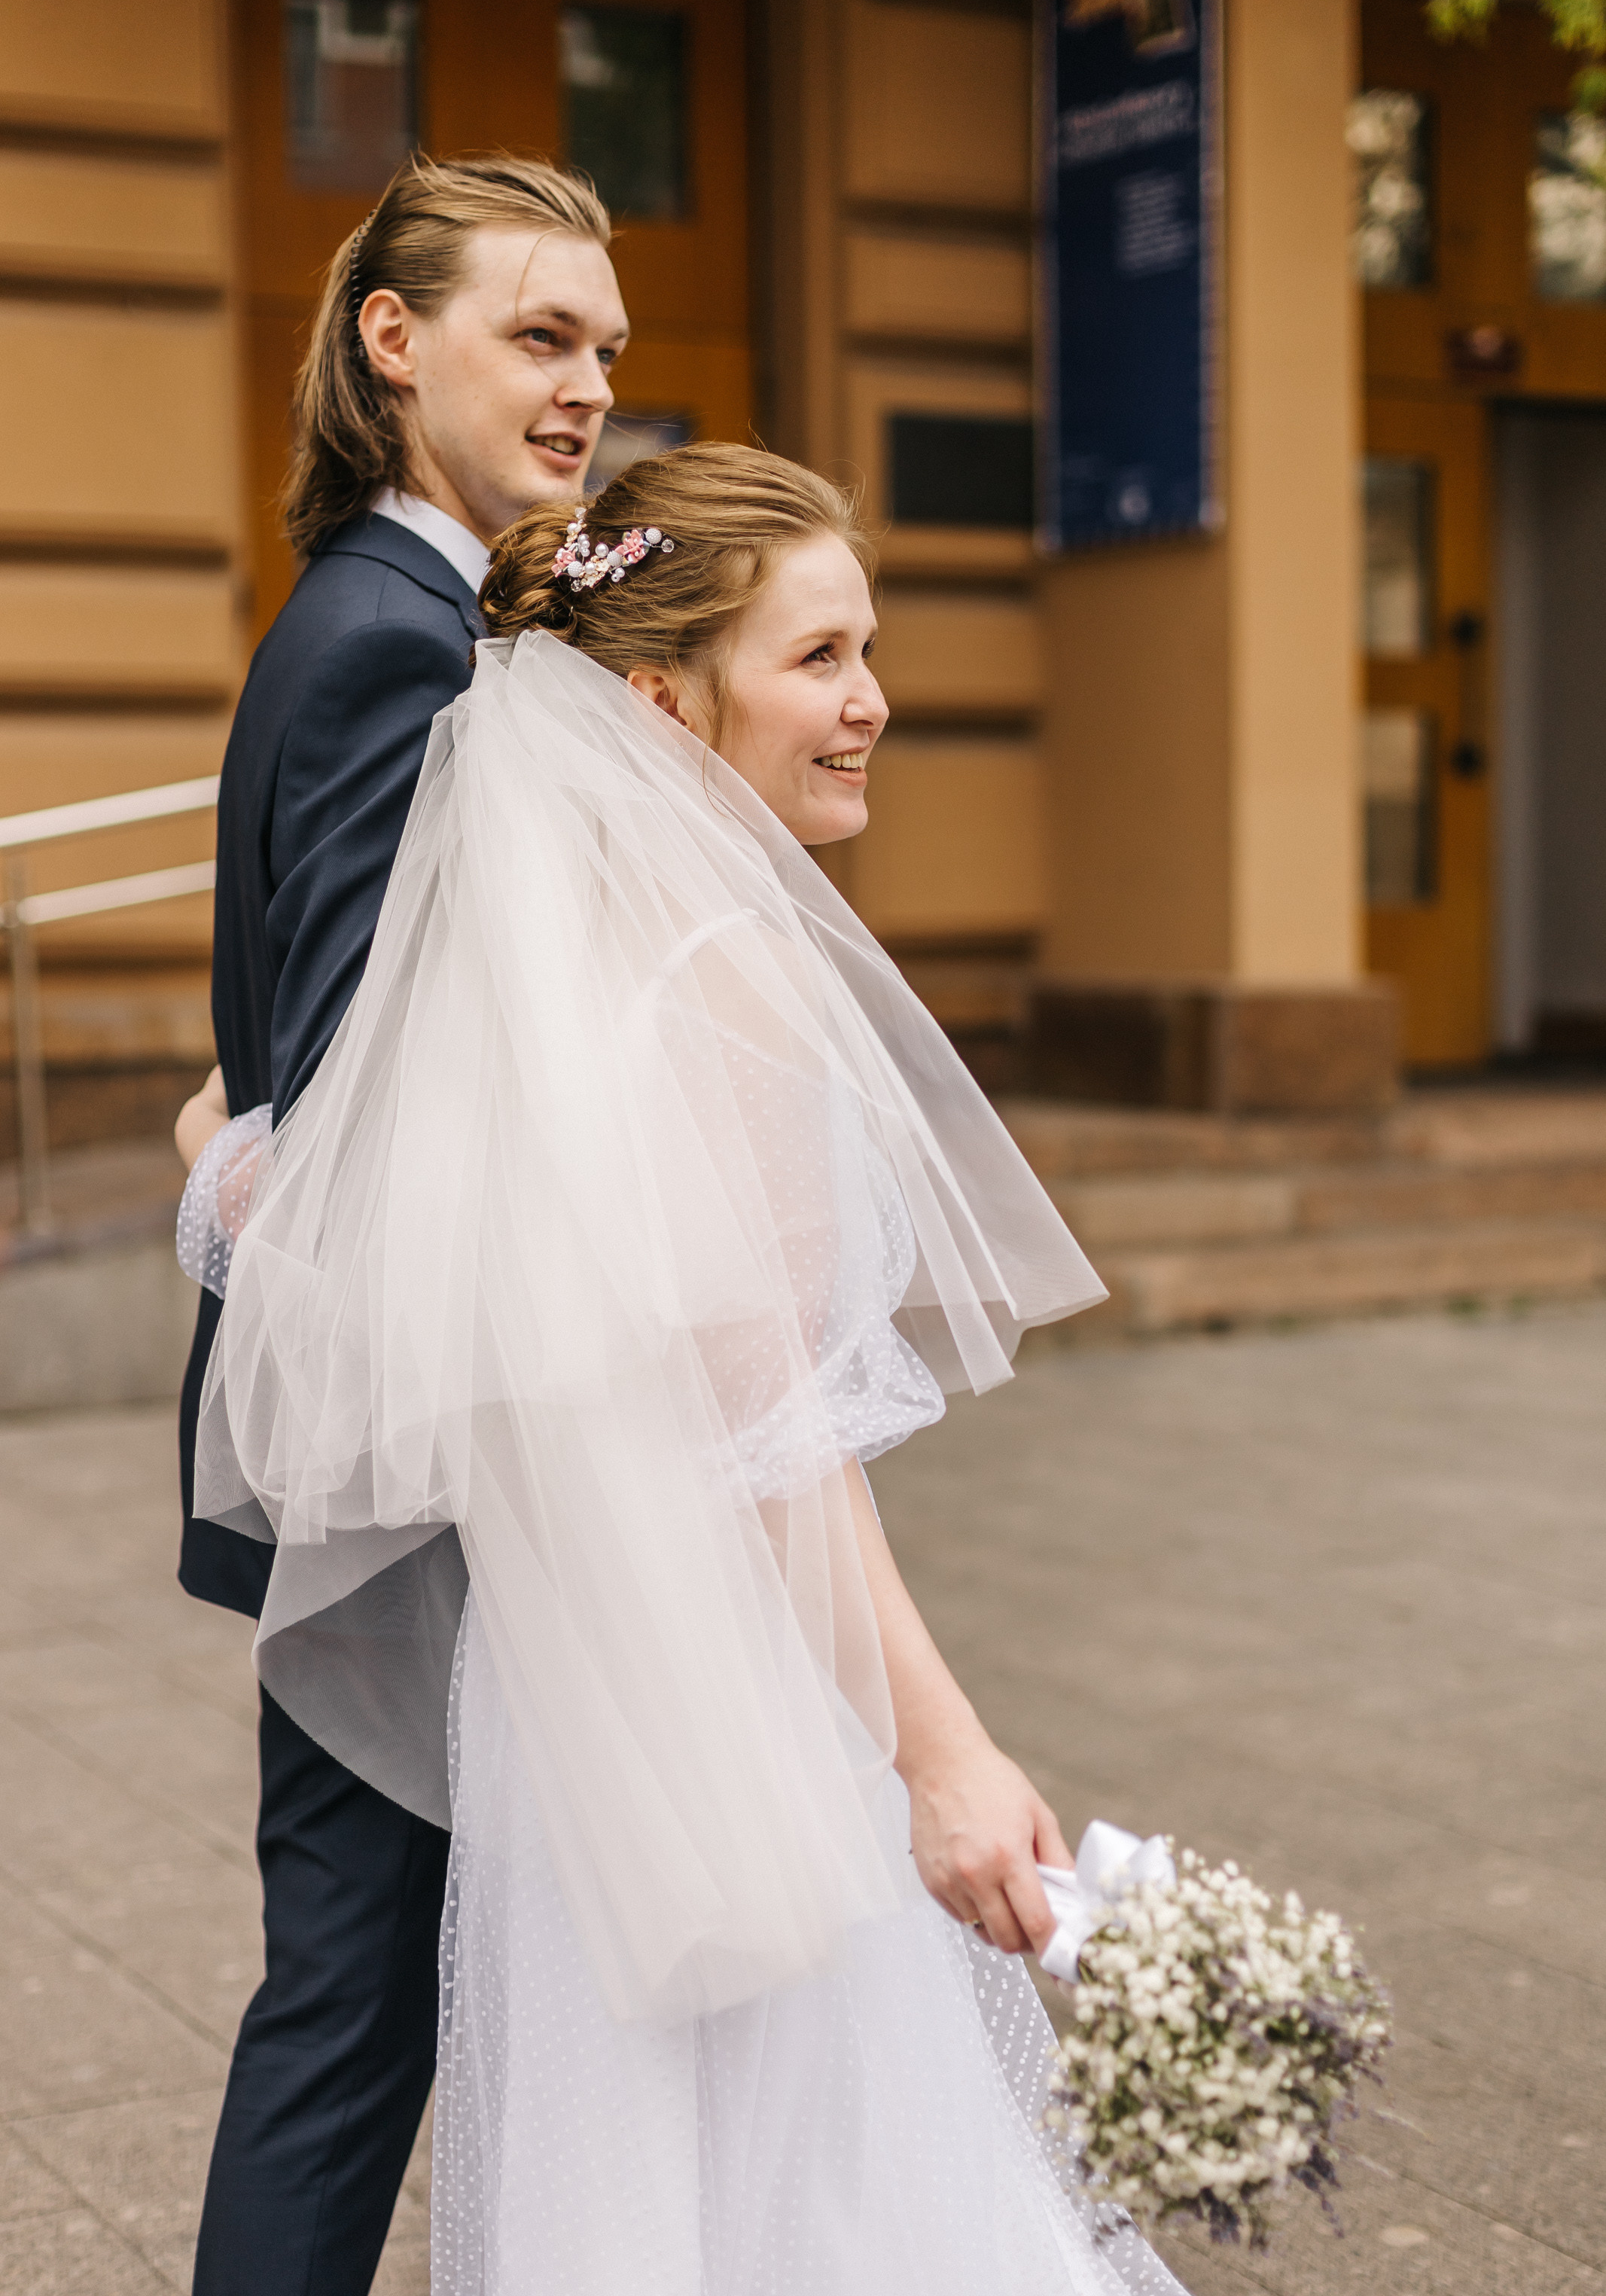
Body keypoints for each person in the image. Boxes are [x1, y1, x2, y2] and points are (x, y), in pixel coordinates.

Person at [184, 444, 1190, 2294]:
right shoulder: (723, 973)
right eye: (816, 658)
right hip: (719, 1699)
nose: (869, 700)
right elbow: (774, 1437)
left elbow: (331, 1245)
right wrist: (946, 1759)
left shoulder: (525, 966)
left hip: (563, 1721)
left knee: (643, 2203)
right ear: (660, 699)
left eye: (867, 649)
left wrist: (214, 1162)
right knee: (824, 2200)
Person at [174, 149, 626, 2296]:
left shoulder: (414, 611)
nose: (584, 387)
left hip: (407, 1437)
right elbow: (371, 1117)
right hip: (401, 1464)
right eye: (539, 336)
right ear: (392, 341)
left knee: (377, 1994)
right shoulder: (389, 640)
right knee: (353, 2013)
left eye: (603, 350)